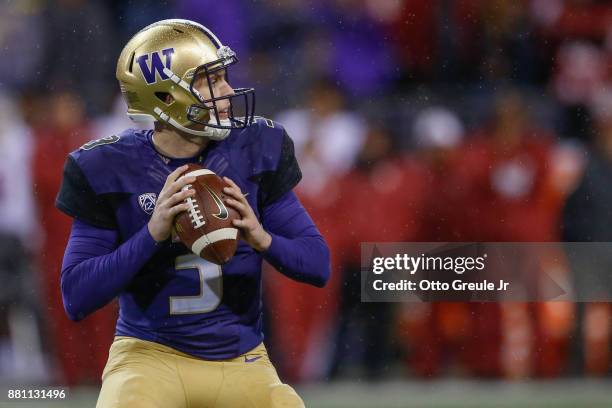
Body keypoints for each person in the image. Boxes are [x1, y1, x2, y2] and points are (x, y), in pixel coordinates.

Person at [55, 19, 330, 408]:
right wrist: (151, 235)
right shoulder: (108, 166)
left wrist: (260, 236)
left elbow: (318, 266)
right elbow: (76, 296)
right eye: (211, 80)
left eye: (223, 77)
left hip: (243, 358)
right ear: (167, 97)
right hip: (150, 357)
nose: (229, 91)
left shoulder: (256, 147)